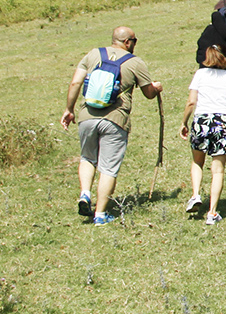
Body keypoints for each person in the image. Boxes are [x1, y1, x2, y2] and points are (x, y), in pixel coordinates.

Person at [60, 26, 162, 225]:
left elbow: (75, 83)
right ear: (127, 42)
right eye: (134, 40)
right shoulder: (135, 62)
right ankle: (100, 214)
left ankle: (85, 194)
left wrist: (69, 109)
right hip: (115, 120)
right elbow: (149, 93)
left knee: (87, 158)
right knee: (108, 168)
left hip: (87, 116)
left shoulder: (92, 54)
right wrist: (156, 88)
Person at [181, 45, 226, 223]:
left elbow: (191, 101)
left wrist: (184, 122)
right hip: (222, 122)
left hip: (201, 121)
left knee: (197, 161)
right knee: (218, 170)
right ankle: (212, 213)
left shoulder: (200, 74)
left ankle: (195, 195)